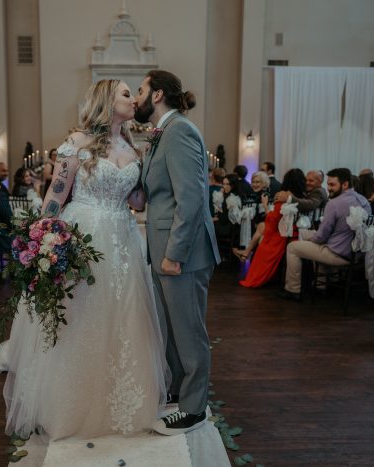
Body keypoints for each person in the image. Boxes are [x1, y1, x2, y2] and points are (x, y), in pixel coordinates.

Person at [0, 79, 170, 441]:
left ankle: (121, 396)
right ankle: (69, 399)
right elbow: (55, 197)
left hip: (123, 237)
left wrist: (150, 169)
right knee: (81, 314)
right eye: (125, 94)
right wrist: (40, 240)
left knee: (123, 313)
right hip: (82, 232)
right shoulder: (77, 143)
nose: (133, 99)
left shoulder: (133, 146)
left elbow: (136, 202)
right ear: (107, 100)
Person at [136, 69, 220, 435]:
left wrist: (175, 254)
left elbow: (191, 198)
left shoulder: (180, 130)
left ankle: (194, 408)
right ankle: (178, 392)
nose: (137, 96)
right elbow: (162, 194)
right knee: (171, 329)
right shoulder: (162, 134)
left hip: (181, 254)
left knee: (189, 331)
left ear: (156, 95)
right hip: (163, 251)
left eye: (140, 90)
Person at [279, 168, 371, 301]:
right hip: (356, 252)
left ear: (345, 185)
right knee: (304, 234)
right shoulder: (364, 201)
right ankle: (318, 285)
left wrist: (313, 238)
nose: (329, 188)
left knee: (292, 247)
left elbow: (321, 238)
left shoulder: (333, 204)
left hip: (338, 253)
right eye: (328, 184)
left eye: (332, 185)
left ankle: (293, 289)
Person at [237, 169, 306, 288]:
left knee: (263, 239)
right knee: (262, 228)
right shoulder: (302, 197)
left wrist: (265, 207)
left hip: (283, 235)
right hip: (296, 232)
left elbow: (273, 221)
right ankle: (247, 252)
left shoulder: (283, 197)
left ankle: (249, 260)